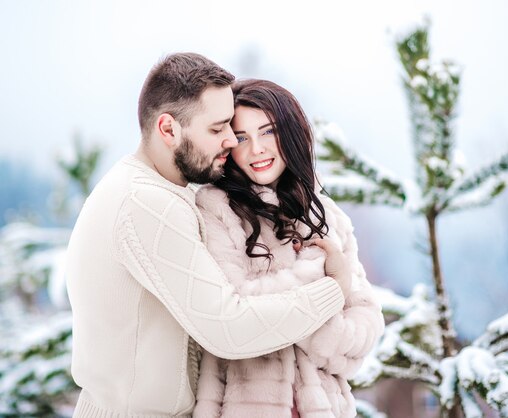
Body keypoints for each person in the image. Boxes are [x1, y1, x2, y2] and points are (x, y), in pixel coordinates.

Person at [65, 53, 349, 417]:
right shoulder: (147, 203)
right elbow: (228, 328)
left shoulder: (152, 190)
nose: (231, 141)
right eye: (217, 129)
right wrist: (333, 289)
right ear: (168, 130)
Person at [193, 79, 385, 418]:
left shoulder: (327, 216)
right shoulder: (216, 208)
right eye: (241, 137)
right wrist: (325, 280)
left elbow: (364, 328)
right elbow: (237, 312)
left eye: (267, 132)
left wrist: (321, 330)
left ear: (291, 134)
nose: (256, 149)